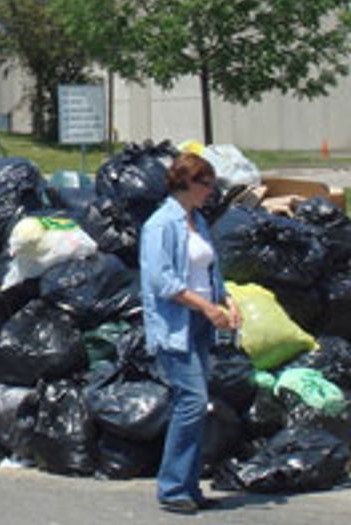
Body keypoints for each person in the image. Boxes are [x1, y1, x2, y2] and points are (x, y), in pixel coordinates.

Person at [140, 152, 241, 515]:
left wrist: (227, 301)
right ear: (186, 183)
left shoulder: (197, 220)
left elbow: (212, 269)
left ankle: (189, 486)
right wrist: (206, 307)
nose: (210, 191)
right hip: (175, 324)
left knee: (196, 406)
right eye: (205, 184)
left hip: (199, 323)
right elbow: (162, 281)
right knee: (193, 401)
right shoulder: (160, 225)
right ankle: (172, 487)